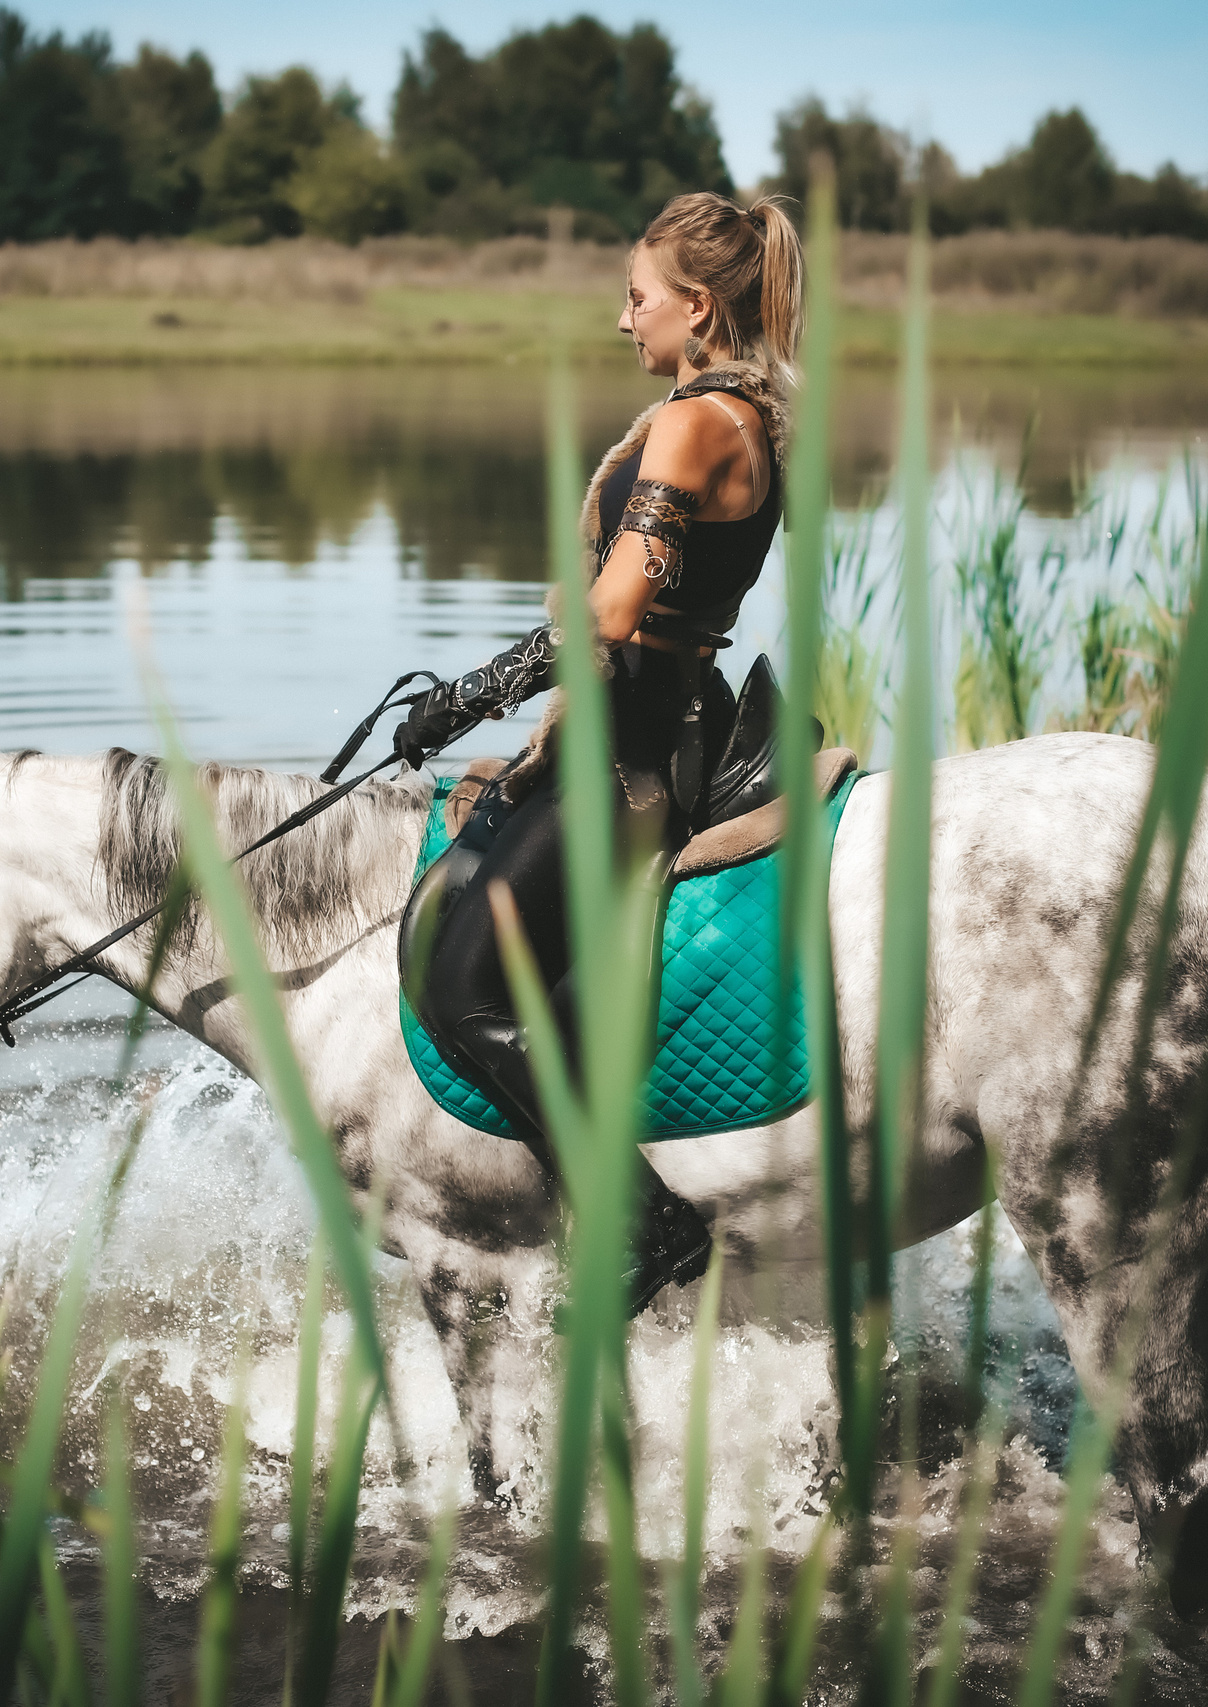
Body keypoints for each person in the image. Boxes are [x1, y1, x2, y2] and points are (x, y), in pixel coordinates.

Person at [392, 190, 802, 1314]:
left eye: (637, 299)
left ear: (698, 305)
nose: (623, 320)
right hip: (636, 717)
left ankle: (645, 1221)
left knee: (462, 984)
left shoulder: (697, 424)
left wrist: (469, 694)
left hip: (631, 748)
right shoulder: (728, 414)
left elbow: (615, 610)